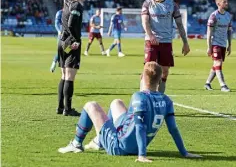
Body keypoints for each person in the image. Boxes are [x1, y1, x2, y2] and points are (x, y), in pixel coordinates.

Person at [58, 62, 202, 162]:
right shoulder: (167, 100)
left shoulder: (139, 97)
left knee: (91, 105)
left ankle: (76, 144)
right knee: (116, 103)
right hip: (136, 142)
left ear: (141, 77)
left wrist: (142, 155)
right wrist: (184, 152)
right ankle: (100, 141)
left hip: (120, 147)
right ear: (160, 81)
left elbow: (139, 126)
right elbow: (173, 129)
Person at [141, 0, 190, 93]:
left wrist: (185, 42)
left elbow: (179, 24)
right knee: (148, 70)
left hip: (166, 42)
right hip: (151, 41)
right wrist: (151, 35)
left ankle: (160, 97)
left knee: (165, 71)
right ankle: (143, 97)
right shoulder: (147, 4)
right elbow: (145, 21)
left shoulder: (172, 4)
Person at [56, 0, 91, 116]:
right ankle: (68, 109)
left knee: (64, 74)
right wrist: (74, 40)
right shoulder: (77, 6)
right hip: (71, 42)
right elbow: (71, 24)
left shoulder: (67, 0)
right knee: (70, 76)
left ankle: (60, 108)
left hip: (61, 41)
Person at [204, 0, 232, 92]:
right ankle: (223, 85)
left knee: (216, 65)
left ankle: (207, 83)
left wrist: (230, 45)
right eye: (224, 2)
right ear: (218, 3)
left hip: (223, 43)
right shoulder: (214, 16)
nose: (227, 3)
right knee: (218, 63)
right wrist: (209, 46)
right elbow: (209, 32)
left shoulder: (228, 16)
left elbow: (229, 31)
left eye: (227, 1)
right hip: (215, 43)